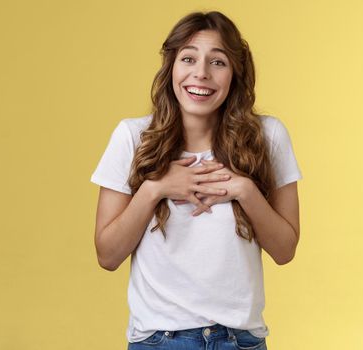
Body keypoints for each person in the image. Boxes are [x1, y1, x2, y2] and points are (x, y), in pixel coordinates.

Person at [90, 10, 303, 350]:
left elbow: (284, 250)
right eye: (188, 58)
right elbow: (107, 256)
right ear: (171, 67)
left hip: (241, 341)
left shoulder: (268, 136)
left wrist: (245, 190)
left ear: (235, 72)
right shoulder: (132, 137)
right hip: (161, 341)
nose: (200, 74)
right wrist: (156, 188)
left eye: (217, 62)